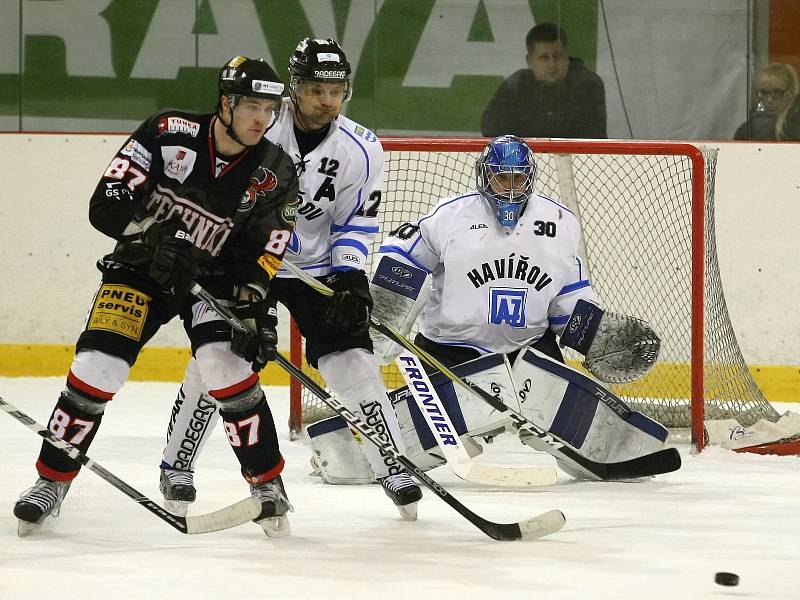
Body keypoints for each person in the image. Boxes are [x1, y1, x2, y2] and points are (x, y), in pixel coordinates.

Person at [12, 56, 300, 537]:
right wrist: (154, 235)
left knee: (227, 369)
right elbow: (106, 204)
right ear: (225, 103)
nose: (260, 119)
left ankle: (268, 486)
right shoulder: (169, 131)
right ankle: (51, 480)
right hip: (141, 270)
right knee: (96, 367)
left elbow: (265, 253)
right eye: (251, 105)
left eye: (269, 109)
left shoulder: (275, 169)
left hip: (211, 282)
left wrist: (253, 307)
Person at [158, 38, 423, 521]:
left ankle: (392, 463)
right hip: (244, 262)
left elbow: (355, 221)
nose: (328, 100)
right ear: (294, 88)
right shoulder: (254, 126)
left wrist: (348, 275)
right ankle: (177, 463)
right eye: (318, 88)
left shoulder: (361, 148)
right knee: (219, 358)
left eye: (337, 89)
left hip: (314, 268)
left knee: (355, 362)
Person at [308, 135, 667, 484]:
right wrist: (383, 316)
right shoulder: (449, 216)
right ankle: (347, 456)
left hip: (528, 349)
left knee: (557, 417)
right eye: (501, 177)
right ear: (484, 175)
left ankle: (621, 449)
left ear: (530, 178)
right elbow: (404, 259)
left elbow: (565, 296)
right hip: (451, 350)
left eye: (517, 178)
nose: (509, 187)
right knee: (432, 431)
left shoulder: (560, 223)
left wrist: (594, 335)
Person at [480, 23, 606, 139]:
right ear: (530, 60)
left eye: (558, 56)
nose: (552, 64)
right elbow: (489, 128)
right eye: (544, 58)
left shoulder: (587, 84)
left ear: (567, 56)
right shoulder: (516, 86)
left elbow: (594, 137)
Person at [734, 63, 800, 141]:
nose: (769, 100)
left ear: (790, 92)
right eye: (764, 93)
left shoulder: (795, 126)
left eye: (776, 92)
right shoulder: (749, 129)